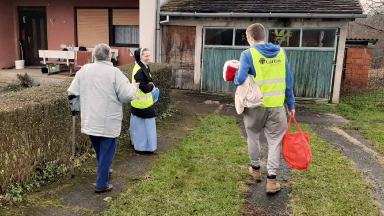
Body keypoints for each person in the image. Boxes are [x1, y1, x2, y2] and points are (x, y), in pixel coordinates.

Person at [234, 23, 295, 194]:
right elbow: (288, 81)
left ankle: (255, 170)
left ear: (250, 37)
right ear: (264, 35)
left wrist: (233, 79)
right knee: (275, 143)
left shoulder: (248, 54)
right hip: (277, 107)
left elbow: (239, 79)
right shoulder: (281, 53)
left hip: (255, 106)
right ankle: (272, 181)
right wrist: (291, 104)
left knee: (252, 137)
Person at [68, 44, 138, 193]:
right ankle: (102, 184)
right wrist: (134, 87)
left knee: (100, 150)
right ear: (109, 56)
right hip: (108, 121)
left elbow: (72, 91)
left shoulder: (84, 70)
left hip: (90, 118)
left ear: (94, 56)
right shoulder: (114, 72)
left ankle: (104, 170)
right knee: (107, 151)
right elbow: (126, 95)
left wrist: (75, 109)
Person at [129, 48, 157, 153]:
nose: (148, 58)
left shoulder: (141, 66)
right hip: (143, 104)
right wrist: (152, 88)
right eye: (146, 56)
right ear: (140, 57)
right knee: (145, 128)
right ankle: (144, 148)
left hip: (138, 103)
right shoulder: (140, 70)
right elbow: (144, 88)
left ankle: (137, 144)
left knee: (137, 126)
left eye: (149, 55)